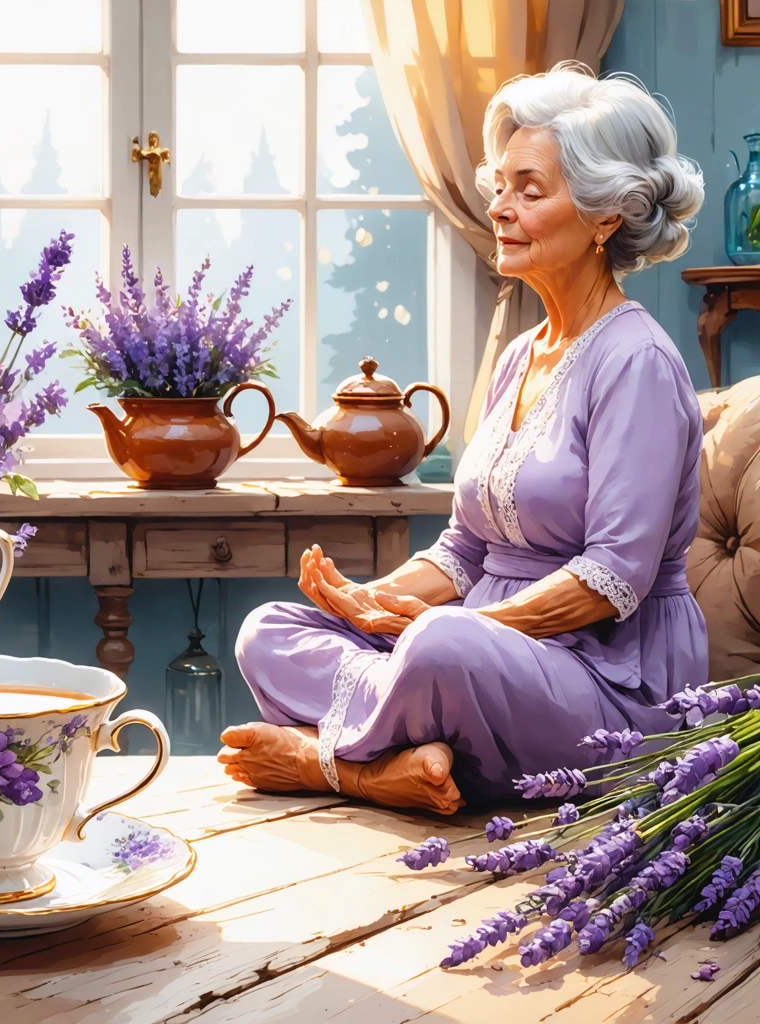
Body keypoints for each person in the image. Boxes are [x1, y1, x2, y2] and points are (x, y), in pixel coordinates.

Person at [218, 63, 708, 813]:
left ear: (606, 214)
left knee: (439, 648)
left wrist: (457, 624)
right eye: (500, 187)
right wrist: (368, 602)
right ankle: (391, 763)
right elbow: (465, 553)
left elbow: (612, 579)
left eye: (529, 190)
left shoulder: (636, 360)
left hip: (610, 680)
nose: (501, 209)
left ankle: (331, 764)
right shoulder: (520, 355)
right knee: (268, 629)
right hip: (480, 646)